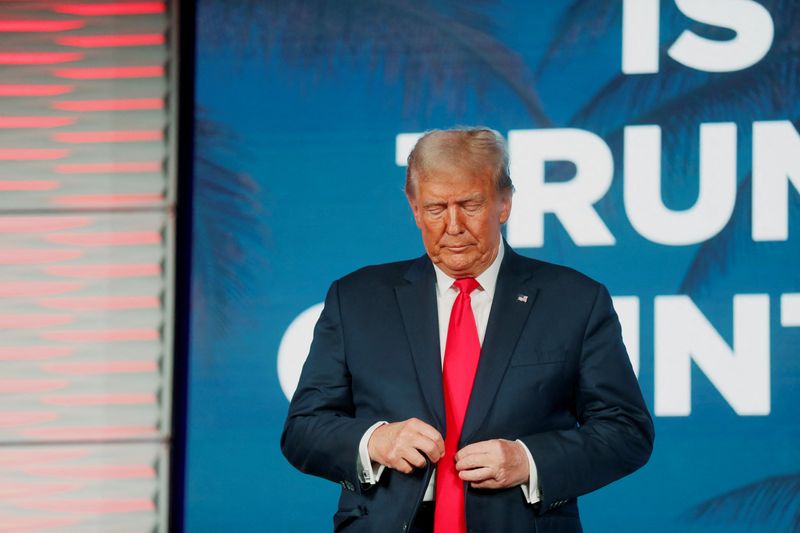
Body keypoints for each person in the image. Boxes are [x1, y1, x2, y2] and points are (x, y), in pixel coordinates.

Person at [281, 127, 654, 532]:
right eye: (437, 208)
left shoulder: (576, 301)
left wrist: (528, 461)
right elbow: (303, 429)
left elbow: (625, 430)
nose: (454, 225)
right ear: (414, 207)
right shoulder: (355, 300)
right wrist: (375, 442)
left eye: (470, 205)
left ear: (504, 202)